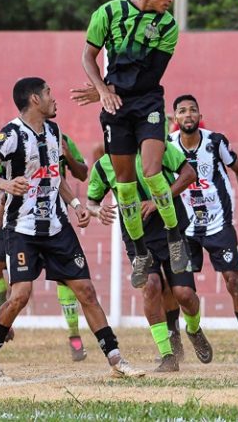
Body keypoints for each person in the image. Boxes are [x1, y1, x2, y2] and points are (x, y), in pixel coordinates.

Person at [0, 77, 142, 381]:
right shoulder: (10, 135)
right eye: (49, 93)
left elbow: (55, 177)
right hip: (22, 228)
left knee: (86, 291)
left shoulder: (54, 132)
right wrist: (6, 184)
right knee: (21, 295)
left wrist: (77, 205)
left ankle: (116, 358)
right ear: (34, 99)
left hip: (57, 227)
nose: (54, 98)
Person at [81, 0, 190, 281]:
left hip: (148, 103)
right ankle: (140, 252)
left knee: (153, 170)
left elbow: (149, 76)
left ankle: (174, 237)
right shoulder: (108, 13)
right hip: (115, 107)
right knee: (125, 185)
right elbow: (88, 57)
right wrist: (102, 90)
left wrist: (109, 89)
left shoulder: (167, 26)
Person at [88, 140, 213, 373]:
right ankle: (167, 355)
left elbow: (189, 174)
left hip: (171, 229)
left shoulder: (159, 148)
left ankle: (194, 329)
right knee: (151, 286)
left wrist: (157, 201)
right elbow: (91, 200)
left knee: (184, 294)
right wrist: (97, 210)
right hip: (139, 240)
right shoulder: (104, 165)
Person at [0, 132, 91, 362]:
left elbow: (82, 173)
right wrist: (3, 190)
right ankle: (0, 324)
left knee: (66, 279)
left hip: (53, 219)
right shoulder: (14, 137)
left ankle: (74, 335)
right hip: (18, 220)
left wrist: (67, 154)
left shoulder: (61, 137)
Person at [170, 94, 238, 363]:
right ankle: (180, 342)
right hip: (184, 228)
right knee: (179, 291)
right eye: (182, 111)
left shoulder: (215, 141)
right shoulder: (167, 146)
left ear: (199, 116)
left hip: (218, 224)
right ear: (175, 118)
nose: (188, 115)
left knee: (233, 282)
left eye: (193, 110)